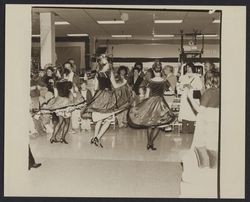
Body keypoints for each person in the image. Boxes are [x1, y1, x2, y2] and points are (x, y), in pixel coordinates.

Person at [128, 60, 175, 150]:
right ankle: (151, 142)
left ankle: (149, 143)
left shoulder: (150, 82)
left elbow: (146, 95)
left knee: (150, 124)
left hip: (151, 103)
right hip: (161, 103)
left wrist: (143, 104)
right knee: (158, 124)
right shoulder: (165, 81)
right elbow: (172, 91)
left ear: (153, 71)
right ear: (161, 71)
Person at [181, 71, 220, 183]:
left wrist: (189, 97)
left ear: (207, 80)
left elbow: (200, 110)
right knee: (213, 146)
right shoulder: (221, 91)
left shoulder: (209, 92)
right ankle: (214, 172)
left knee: (201, 146)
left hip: (206, 121)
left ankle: (204, 172)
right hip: (215, 121)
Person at [87, 55, 132, 147]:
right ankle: (97, 137)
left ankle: (95, 137)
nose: (109, 64)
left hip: (99, 96)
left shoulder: (98, 73)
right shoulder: (109, 72)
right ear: (106, 64)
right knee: (108, 120)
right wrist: (124, 82)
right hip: (107, 97)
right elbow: (115, 86)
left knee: (99, 119)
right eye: (108, 62)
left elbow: (95, 88)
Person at [39, 78, 86, 144]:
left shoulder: (57, 85)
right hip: (66, 104)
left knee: (60, 122)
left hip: (59, 104)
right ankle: (62, 138)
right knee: (67, 122)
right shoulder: (69, 84)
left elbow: (56, 96)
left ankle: (53, 137)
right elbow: (72, 93)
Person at [178, 63, 202, 134]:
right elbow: (180, 86)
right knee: (184, 112)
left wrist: (192, 87)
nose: (188, 68)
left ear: (192, 68)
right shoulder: (183, 76)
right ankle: (184, 129)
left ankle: (191, 129)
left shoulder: (197, 77)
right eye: (187, 67)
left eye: (189, 67)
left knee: (192, 112)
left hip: (192, 96)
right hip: (185, 96)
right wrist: (184, 85)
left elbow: (199, 87)